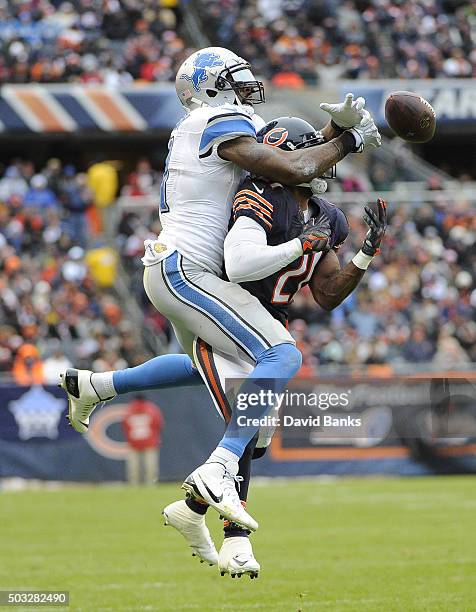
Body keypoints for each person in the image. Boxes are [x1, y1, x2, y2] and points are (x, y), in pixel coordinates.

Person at [61, 47, 381, 559]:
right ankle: (218, 469)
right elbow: (288, 164)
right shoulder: (214, 119)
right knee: (281, 355)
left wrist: (329, 137)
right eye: (238, 78)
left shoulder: (216, 124)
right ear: (211, 85)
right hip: (188, 270)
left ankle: (100, 387)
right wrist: (350, 139)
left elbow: (291, 159)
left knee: (216, 367)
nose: (249, 87)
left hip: (182, 270)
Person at [122, 394, 164, 485]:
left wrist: (130, 439)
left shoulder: (129, 410)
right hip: (150, 442)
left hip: (134, 442)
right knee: (150, 466)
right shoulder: (152, 409)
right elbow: (159, 424)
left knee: (133, 467)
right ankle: (151, 484)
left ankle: (133, 485)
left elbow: (125, 426)